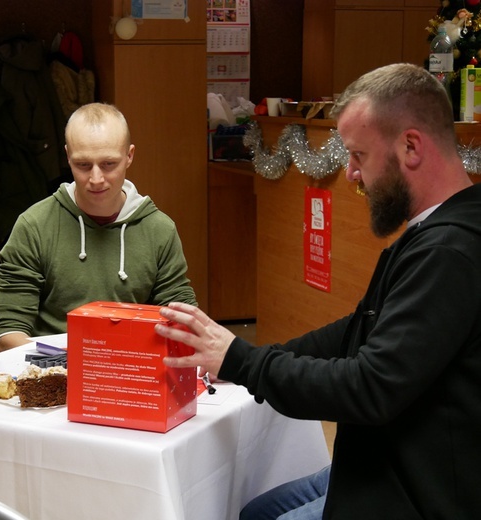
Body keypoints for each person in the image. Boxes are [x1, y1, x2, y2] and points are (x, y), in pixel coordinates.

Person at [155, 63, 481, 519]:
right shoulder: (435, 230)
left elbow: (369, 389)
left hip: (417, 489)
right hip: (386, 454)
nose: (350, 174)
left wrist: (243, 361)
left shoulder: (450, 252)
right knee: (255, 511)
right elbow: (359, 328)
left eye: (358, 156)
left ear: (410, 146)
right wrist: (240, 359)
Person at [0, 102, 197, 351]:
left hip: (131, 367)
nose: (96, 179)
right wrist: (79, 363)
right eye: (83, 165)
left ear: (129, 156)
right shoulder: (34, 225)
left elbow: (181, 319)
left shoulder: (159, 229)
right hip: (52, 373)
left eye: (109, 164)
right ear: (67, 156)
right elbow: (9, 333)